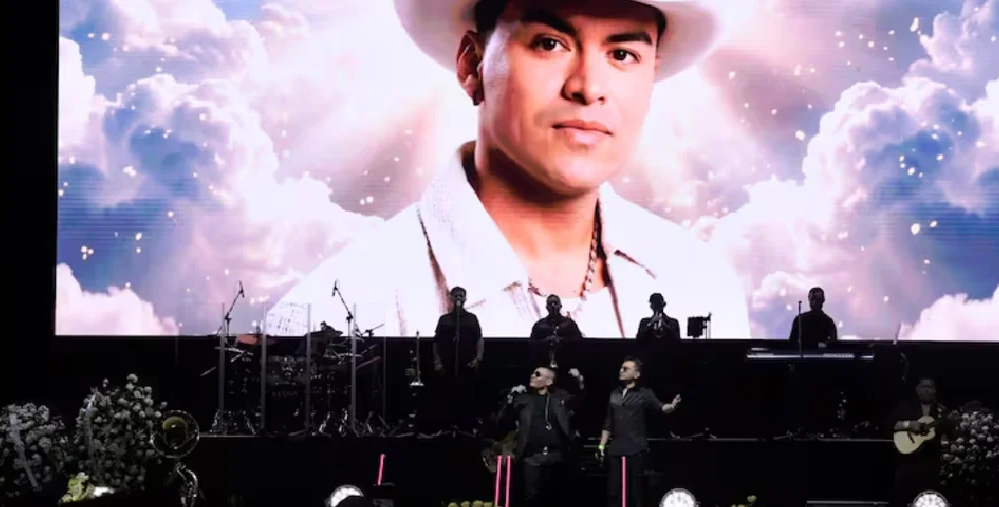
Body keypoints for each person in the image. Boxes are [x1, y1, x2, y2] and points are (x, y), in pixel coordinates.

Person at [267, 0, 752, 340]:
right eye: (549, 43)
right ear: (472, 65)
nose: (588, 87)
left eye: (622, 54)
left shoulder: (702, 285)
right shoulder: (337, 310)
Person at [496, 366, 586, 507]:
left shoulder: (559, 399)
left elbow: (581, 402)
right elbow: (501, 420)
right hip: (532, 458)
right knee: (532, 499)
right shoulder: (522, 400)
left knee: (555, 498)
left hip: (555, 457)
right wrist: (509, 399)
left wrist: (579, 381)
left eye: (537, 374)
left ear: (548, 382)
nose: (533, 375)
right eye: (532, 373)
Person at [598, 357, 679, 507]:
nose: (621, 371)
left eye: (626, 368)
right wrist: (602, 445)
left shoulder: (644, 393)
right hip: (616, 450)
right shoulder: (614, 394)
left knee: (635, 492)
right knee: (614, 493)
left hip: (635, 449)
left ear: (636, 375)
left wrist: (672, 406)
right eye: (621, 368)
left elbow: (661, 407)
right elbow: (608, 423)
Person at [888, 377, 948, 507]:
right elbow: (892, 424)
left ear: (935, 391)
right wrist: (910, 424)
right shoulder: (905, 406)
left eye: (930, 387)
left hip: (931, 459)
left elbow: (947, 432)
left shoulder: (942, 410)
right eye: (923, 387)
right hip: (907, 459)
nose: (926, 390)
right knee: (901, 493)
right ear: (917, 390)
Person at [431, 287, 484, 430]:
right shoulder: (444, 319)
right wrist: (437, 361)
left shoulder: (472, 319)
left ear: (465, 298)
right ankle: (447, 426)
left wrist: (478, 358)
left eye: (461, 296)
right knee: (446, 395)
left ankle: (466, 426)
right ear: (451, 298)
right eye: (456, 296)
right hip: (447, 365)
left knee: (467, 395)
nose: (458, 298)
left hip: (467, 364)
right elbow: (436, 342)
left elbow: (479, 338)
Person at [528, 295, 583, 369]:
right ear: (546, 307)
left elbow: (579, 341)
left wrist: (561, 340)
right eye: (550, 304)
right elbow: (532, 343)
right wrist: (546, 341)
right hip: (544, 365)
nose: (553, 306)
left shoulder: (569, 324)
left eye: (555, 303)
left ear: (560, 306)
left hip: (566, 364)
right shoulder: (539, 325)